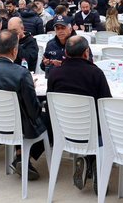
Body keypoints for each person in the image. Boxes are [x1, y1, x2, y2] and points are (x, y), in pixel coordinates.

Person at [0, 30, 48, 180]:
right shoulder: (21, 73)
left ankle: (20, 156)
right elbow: (33, 112)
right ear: (15, 50)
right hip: (19, 127)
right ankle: (23, 157)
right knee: (48, 119)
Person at [47, 36, 111, 192]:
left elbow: (50, 104)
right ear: (86, 52)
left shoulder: (55, 74)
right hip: (94, 133)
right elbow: (106, 104)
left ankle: (89, 162)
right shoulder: (95, 73)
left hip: (64, 131)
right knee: (105, 120)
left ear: (66, 53)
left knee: (86, 119)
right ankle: (95, 163)